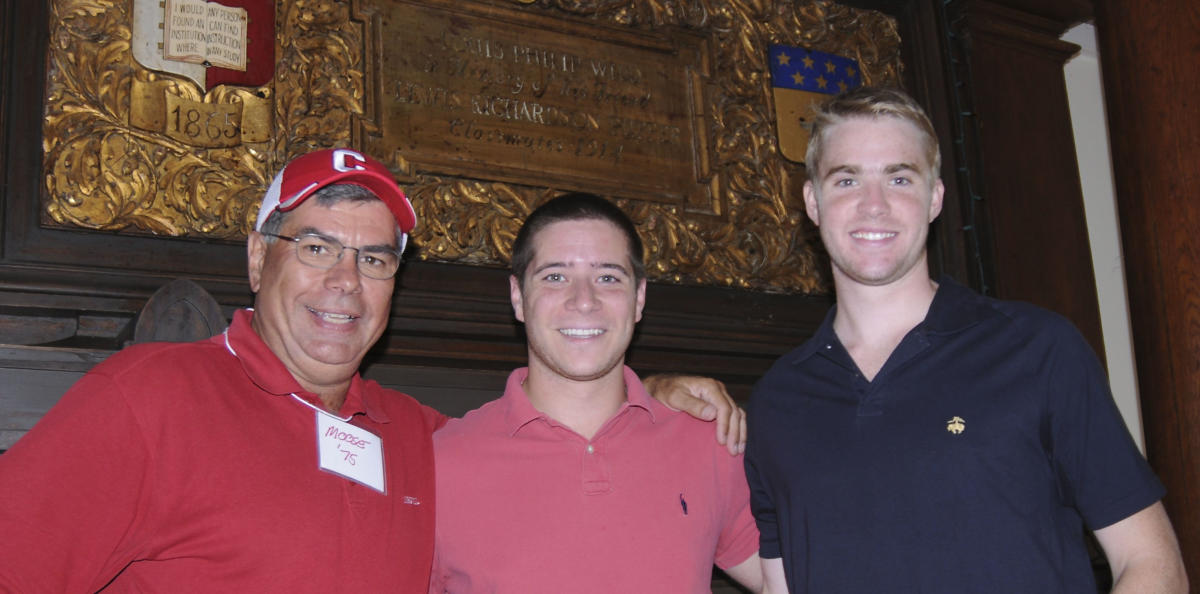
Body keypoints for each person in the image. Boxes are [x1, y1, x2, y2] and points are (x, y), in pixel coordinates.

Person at [0, 149, 741, 591]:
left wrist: (656, 393)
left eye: (374, 259)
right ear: (258, 258)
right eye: (316, 247)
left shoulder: (419, 439)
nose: (344, 282)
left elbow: (549, 442)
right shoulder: (149, 399)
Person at [744, 86, 1188, 593]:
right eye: (847, 180)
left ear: (934, 198)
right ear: (813, 202)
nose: (874, 205)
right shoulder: (778, 400)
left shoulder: (1037, 350)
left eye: (899, 178)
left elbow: (1153, 564)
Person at [429, 193, 766, 593]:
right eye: (555, 276)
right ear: (518, 297)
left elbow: (789, 578)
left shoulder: (708, 441)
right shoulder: (440, 464)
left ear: (639, 298)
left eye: (608, 277)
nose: (584, 301)